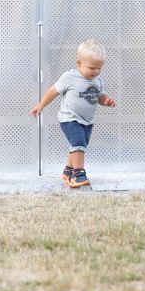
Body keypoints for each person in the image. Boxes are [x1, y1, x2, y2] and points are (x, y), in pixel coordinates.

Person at [29, 39, 116, 188]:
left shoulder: (98, 81)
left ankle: (68, 171)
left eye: (99, 68)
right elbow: (53, 91)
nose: (96, 72)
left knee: (79, 146)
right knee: (78, 143)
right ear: (79, 64)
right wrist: (41, 105)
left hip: (87, 121)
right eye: (92, 68)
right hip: (70, 118)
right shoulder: (70, 77)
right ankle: (79, 174)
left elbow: (99, 97)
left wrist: (106, 100)